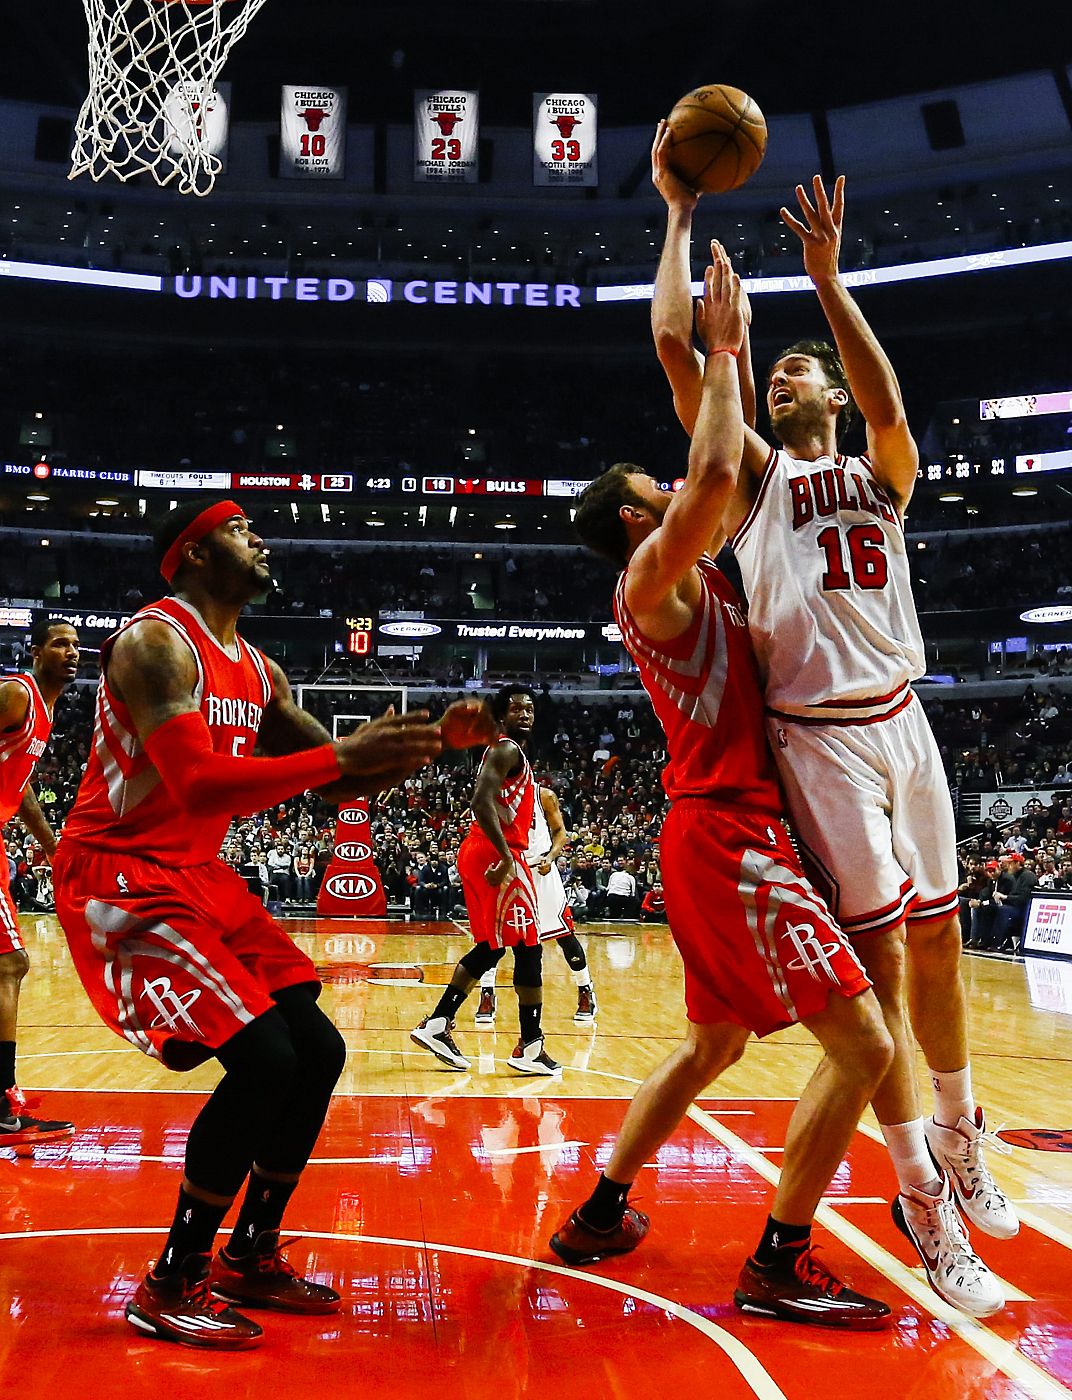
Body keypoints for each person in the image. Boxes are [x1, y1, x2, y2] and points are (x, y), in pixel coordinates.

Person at [648, 128, 1013, 1317]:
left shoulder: (881, 470)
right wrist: (682, 232)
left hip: (906, 719)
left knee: (945, 942)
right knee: (887, 968)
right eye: (787, 374)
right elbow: (672, 347)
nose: (797, 381)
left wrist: (827, 283)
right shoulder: (758, 479)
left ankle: (962, 1134)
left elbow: (888, 401)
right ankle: (919, 1202)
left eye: (808, 375)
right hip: (822, 739)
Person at [560, 243, 894, 1330]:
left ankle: (602, 1206)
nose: (674, 483)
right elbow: (705, 468)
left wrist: (673, 212)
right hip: (728, 834)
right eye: (652, 489)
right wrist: (726, 353)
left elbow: (670, 359)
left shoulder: (704, 567)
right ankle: (779, 1259)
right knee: (865, 1045)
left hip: (718, 831)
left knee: (712, 1042)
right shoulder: (651, 578)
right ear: (630, 518)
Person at [51, 498, 475, 1350]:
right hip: (123, 873)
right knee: (265, 1058)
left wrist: (423, 746)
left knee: (318, 1050)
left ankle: (251, 1252)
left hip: (196, 873)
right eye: (244, 531)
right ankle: (171, 1278)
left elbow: (336, 786)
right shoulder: (154, 644)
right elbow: (198, 787)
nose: (263, 540)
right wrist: (342, 757)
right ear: (197, 552)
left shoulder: (259, 669)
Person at [411, 687, 561, 1077]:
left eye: (529, 708)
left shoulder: (509, 752)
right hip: (498, 854)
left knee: (493, 947)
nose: (524, 713)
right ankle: (530, 1045)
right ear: (500, 715)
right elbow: (480, 801)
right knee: (529, 948)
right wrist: (508, 856)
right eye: (515, 708)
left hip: (485, 851)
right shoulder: (506, 749)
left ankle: (438, 1024)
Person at [0, 619, 80, 1144]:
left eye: (76, 646)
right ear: (36, 651)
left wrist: (51, 846)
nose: (71, 653)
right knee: (10, 963)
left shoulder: (45, 712)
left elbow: (21, 789)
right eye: (59, 644)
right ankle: (2, 1104)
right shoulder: (15, 693)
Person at [475, 782, 597, 1027]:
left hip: (541, 872)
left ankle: (586, 990)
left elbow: (560, 832)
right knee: (493, 938)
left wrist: (551, 857)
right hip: (509, 871)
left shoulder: (544, 796)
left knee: (564, 935)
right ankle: (487, 993)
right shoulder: (492, 797)